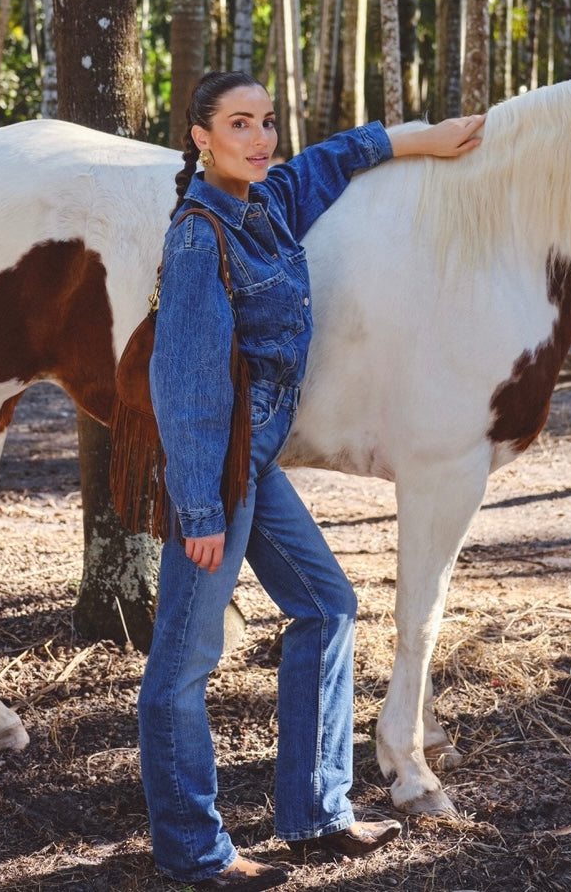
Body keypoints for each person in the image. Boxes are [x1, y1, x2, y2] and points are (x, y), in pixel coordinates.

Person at [138, 71, 484, 890]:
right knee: (181, 667)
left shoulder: (266, 203)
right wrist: (199, 508)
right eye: (238, 124)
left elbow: (339, 155)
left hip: (251, 460)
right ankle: (195, 852)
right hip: (215, 471)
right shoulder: (200, 237)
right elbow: (185, 392)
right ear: (200, 136)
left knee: (327, 604)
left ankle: (315, 810)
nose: (260, 139)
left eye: (267, 122)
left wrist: (426, 137)